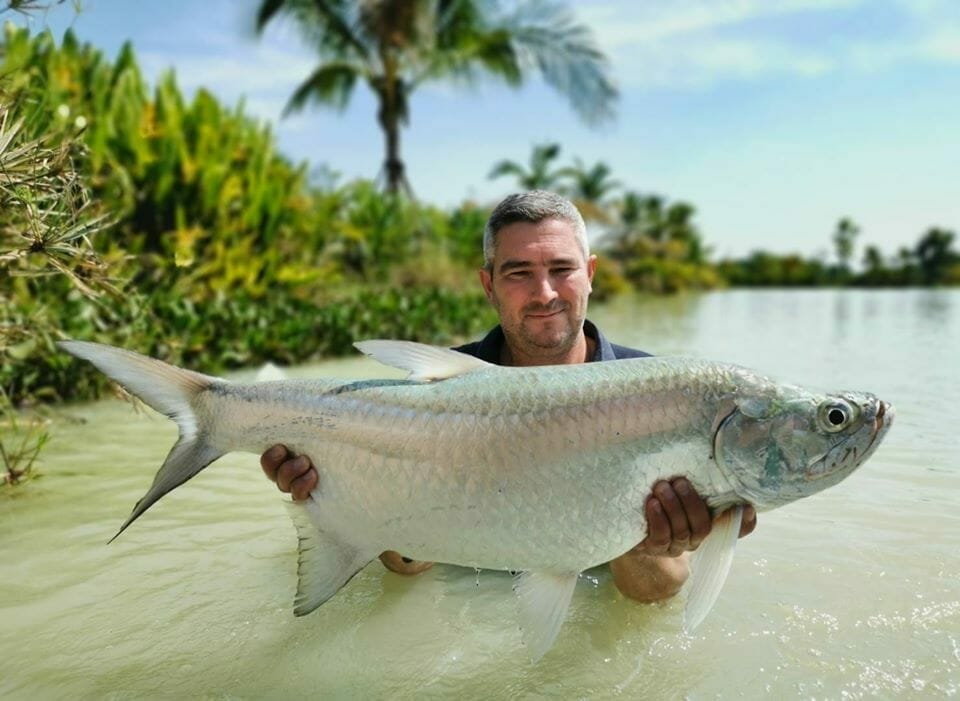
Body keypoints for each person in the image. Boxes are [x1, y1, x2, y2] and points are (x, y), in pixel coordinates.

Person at [261, 190, 757, 602]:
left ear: (591, 274)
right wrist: (341, 494)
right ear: (488, 284)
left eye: (561, 269)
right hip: (462, 604)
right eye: (518, 273)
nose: (543, 293)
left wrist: (646, 538)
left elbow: (653, 598)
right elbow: (407, 568)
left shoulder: (660, 390)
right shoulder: (435, 389)